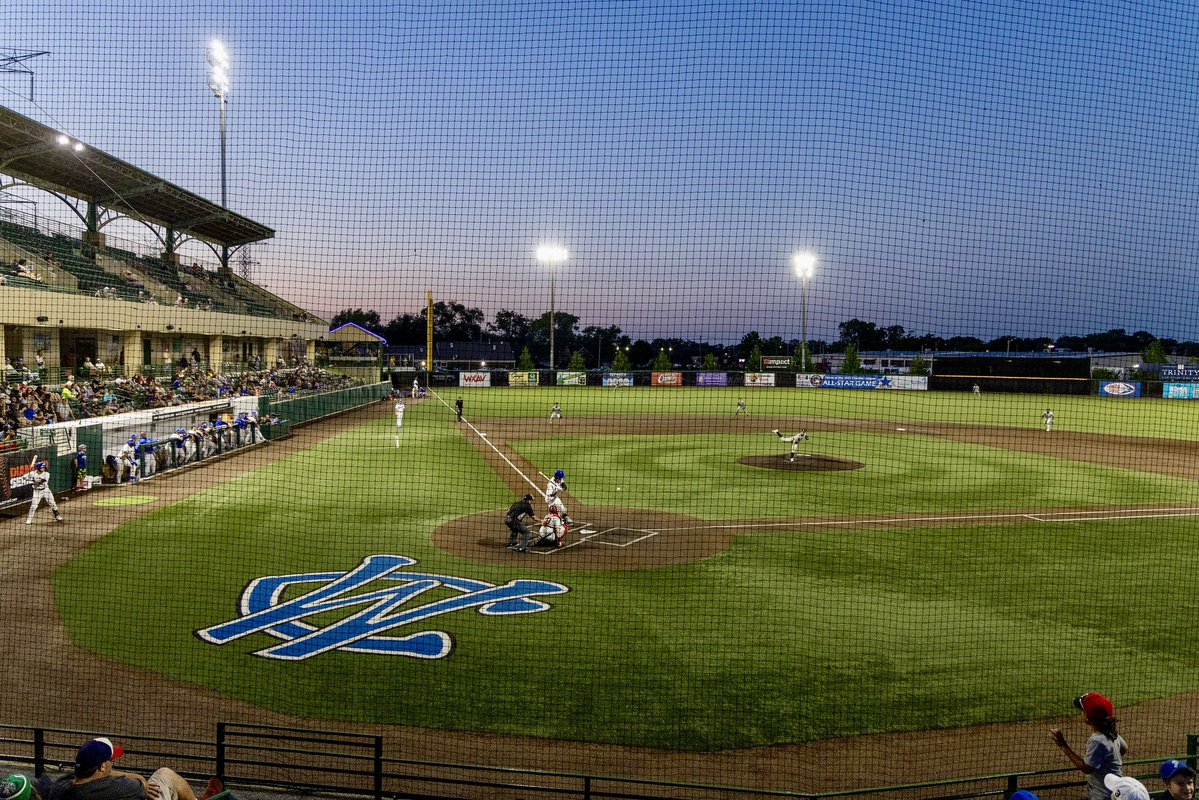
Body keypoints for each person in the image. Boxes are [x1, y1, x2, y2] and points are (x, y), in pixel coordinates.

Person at [44, 736, 221, 800]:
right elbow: (142, 784)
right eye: (111, 761)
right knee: (163, 775)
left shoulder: (60, 787)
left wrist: (105, 772)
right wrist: (111, 773)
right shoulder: (114, 788)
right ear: (102, 766)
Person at [1050, 692, 1128, 800]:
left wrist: (1064, 745)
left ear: (1088, 719)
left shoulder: (1097, 740)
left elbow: (1087, 768)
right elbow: (1124, 748)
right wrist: (1107, 761)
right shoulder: (1111, 732)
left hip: (1103, 795)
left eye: (1084, 712)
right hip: (1115, 790)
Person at [25, 460, 62, 525]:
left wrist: (31, 480)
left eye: (44, 467)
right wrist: (25, 477)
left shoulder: (47, 474)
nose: (44, 468)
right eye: (42, 467)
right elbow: (24, 477)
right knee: (33, 506)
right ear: (38, 468)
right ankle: (29, 519)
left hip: (46, 490)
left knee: (52, 503)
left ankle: (57, 515)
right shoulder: (32, 473)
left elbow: (40, 482)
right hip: (37, 492)